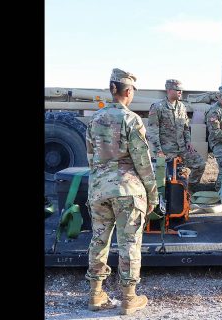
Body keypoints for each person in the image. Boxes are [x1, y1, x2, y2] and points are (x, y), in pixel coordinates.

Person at [85, 68, 158, 315]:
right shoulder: (131, 119)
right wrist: (152, 195)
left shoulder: (94, 119)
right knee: (129, 243)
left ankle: (95, 295)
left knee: (99, 240)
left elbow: (91, 158)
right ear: (128, 91)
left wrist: (97, 184)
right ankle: (128, 298)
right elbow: (143, 162)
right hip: (128, 189)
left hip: (99, 189)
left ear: (112, 89)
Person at [146, 79, 205, 191]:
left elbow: (186, 127)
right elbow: (152, 131)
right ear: (169, 90)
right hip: (166, 151)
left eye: (181, 90)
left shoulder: (182, 107)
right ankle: (166, 199)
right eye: (178, 90)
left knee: (200, 164)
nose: (180, 92)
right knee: (166, 180)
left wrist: (188, 141)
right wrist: (158, 151)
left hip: (182, 149)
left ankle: (187, 190)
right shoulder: (158, 107)